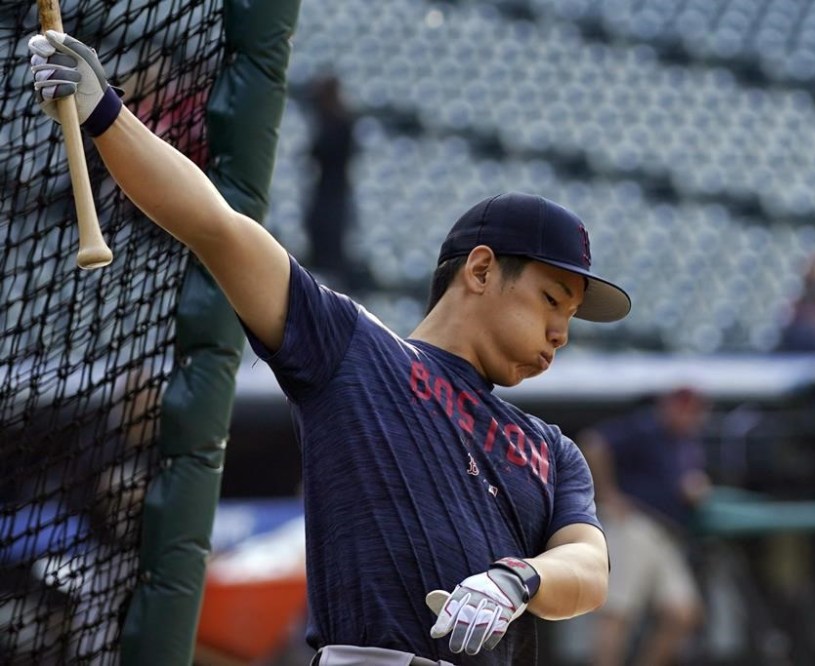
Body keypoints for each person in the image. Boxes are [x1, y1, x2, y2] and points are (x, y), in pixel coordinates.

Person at [28, 30, 632, 666]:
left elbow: (588, 571)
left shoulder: (551, 447)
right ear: (480, 271)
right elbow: (217, 226)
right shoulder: (353, 350)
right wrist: (104, 115)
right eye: (551, 300)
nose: (563, 331)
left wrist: (518, 578)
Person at [578, 387, 711, 666]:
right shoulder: (644, 428)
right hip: (634, 526)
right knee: (617, 613)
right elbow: (593, 443)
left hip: (667, 533)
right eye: (681, 407)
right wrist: (606, 493)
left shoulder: (687, 442)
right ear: (667, 406)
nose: (686, 415)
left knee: (682, 613)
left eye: (693, 410)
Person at [298, 74, 358, 285]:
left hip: (332, 195)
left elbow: (323, 153)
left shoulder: (340, 124)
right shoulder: (332, 122)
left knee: (329, 247)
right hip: (327, 192)